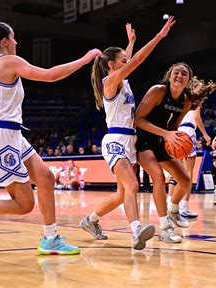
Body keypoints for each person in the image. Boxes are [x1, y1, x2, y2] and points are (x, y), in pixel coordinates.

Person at [0, 22, 101, 255]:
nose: (16, 42)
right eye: (14, 38)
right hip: (1, 136)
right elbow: (51, 75)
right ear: (4, 42)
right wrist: (84, 60)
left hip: (10, 134)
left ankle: (50, 238)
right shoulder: (8, 61)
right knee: (24, 204)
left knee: (45, 178)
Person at [80, 19, 175, 250]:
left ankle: (90, 220)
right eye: (123, 60)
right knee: (132, 185)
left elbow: (131, 61)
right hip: (115, 140)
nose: (127, 62)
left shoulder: (122, 78)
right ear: (112, 65)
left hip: (130, 140)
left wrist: (131, 43)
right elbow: (138, 60)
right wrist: (159, 36)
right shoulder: (111, 81)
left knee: (123, 193)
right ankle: (136, 232)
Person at [135, 63, 216, 243]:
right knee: (158, 177)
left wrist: (179, 140)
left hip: (160, 141)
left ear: (188, 79)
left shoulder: (186, 101)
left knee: (185, 180)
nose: (179, 75)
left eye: (184, 73)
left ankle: (173, 210)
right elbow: (138, 119)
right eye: (176, 72)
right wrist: (166, 134)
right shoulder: (158, 91)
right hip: (142, 140)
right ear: (169, 75)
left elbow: (174, 126)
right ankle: (165, 228)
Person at [167, 100, 211, 218]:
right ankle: (184, 207)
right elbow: (197, 117)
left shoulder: (181, 101)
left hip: (177, 132)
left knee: (175, 170)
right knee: (188, 171)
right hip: (188, 132)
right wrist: (205, 134)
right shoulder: (195, 102)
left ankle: (169, 202)